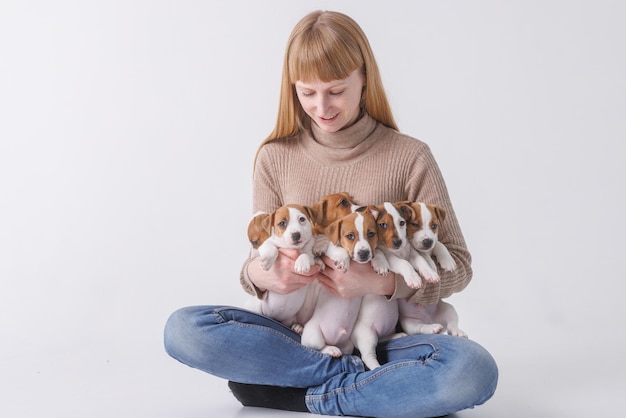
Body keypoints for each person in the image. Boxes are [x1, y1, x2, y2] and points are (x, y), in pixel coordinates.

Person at [164, 10, 498, 418]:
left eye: (336, 90)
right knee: (183, 330)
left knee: (472, 370)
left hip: (386, 339)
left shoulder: (410, 156)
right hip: (301, 332)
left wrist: (385, 282)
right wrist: (258, 275)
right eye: (307, 93)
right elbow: (257, 255)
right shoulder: (275, 158)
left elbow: (459, 266)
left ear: (364, 79)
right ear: (292, 90)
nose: (321, 107)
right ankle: (370, 387)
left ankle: (306, 392)